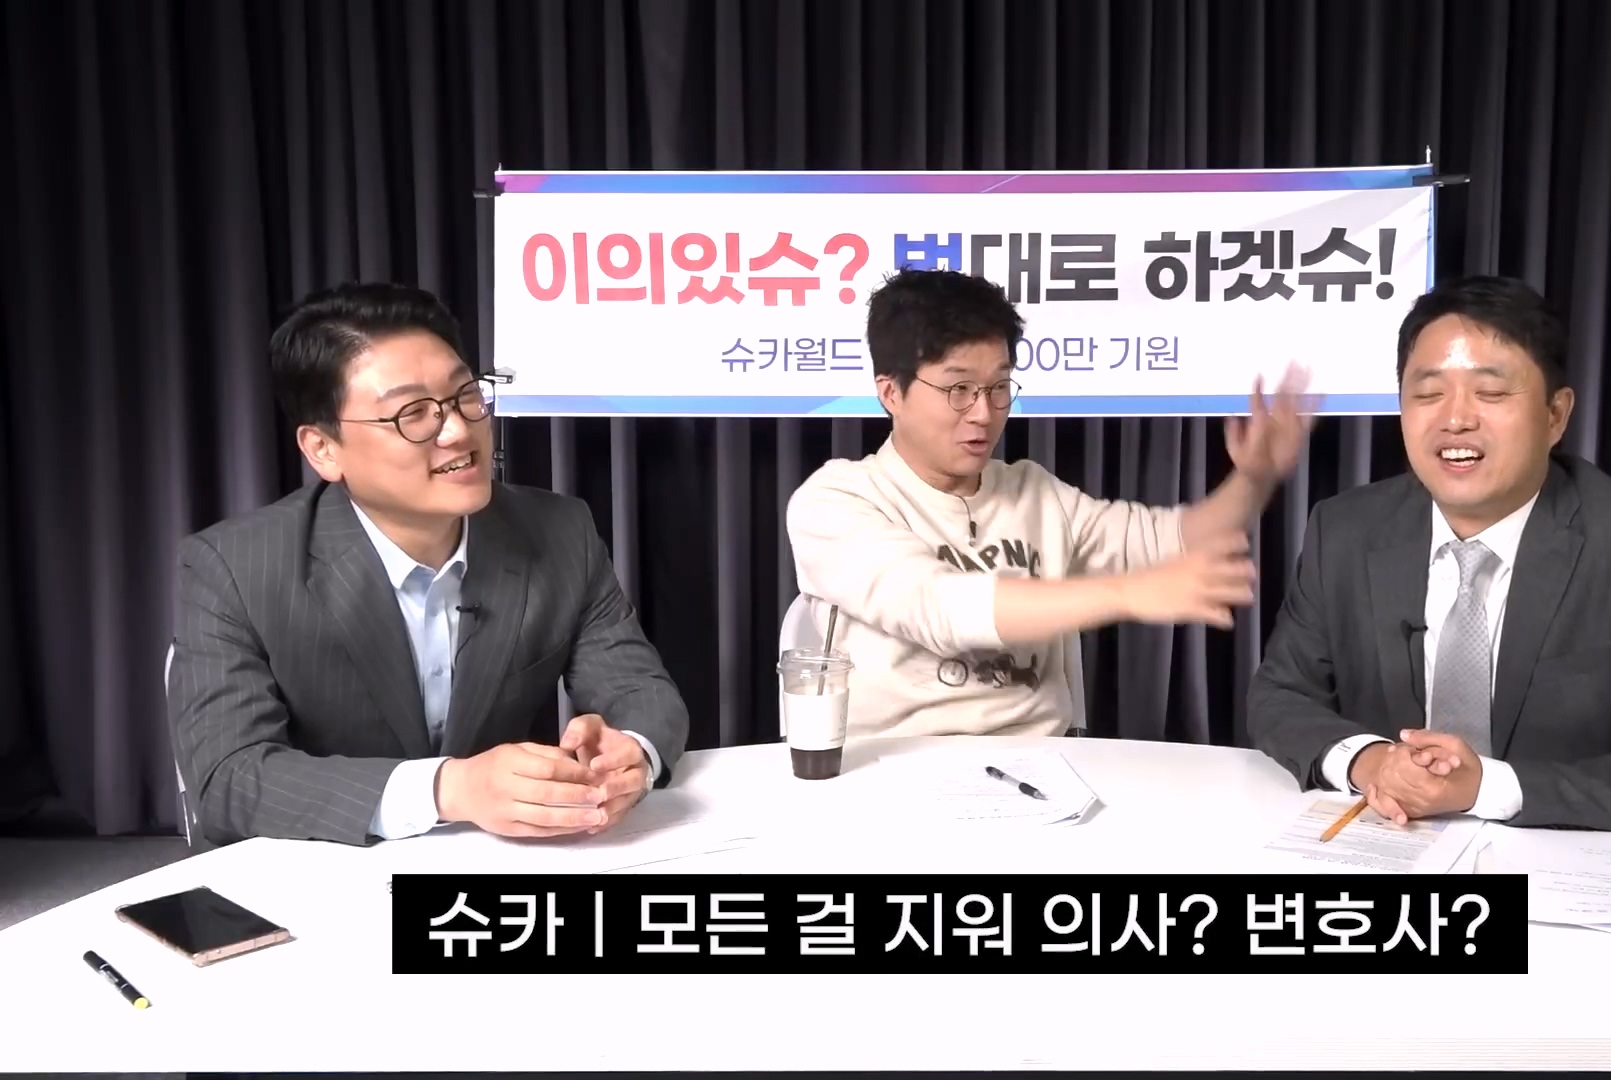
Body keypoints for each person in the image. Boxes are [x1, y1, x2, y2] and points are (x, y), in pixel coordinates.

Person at [166, 282, 689, 848]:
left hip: (498, 864)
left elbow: (640, 689)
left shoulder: (561, 531)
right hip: (324, 864)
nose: (459, 431)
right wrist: (449, 788)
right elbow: (228, 776)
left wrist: (631, 754)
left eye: (466, 395)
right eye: (412, 414)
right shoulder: (234, 568)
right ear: (323, 449)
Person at [1246, 275, 1611, 832]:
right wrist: (1371, 761)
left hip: (1562, 858)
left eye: (1492, 393)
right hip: (1392, 846)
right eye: (1428, 394)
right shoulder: (1345, 531)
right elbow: (1279, 695)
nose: (1455, 419)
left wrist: (1482, 788)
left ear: (1555, 415)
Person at [786, 267, 1312, 740]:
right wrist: (1128, 593)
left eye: (999, 387)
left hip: (1043, 767)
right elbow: (940, 608)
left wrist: (1253, 479)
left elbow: (1169, 540)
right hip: (893, 769)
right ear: (891, 393)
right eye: (958, 389)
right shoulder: (837, 500)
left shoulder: (1033, 492)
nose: (983, 413)